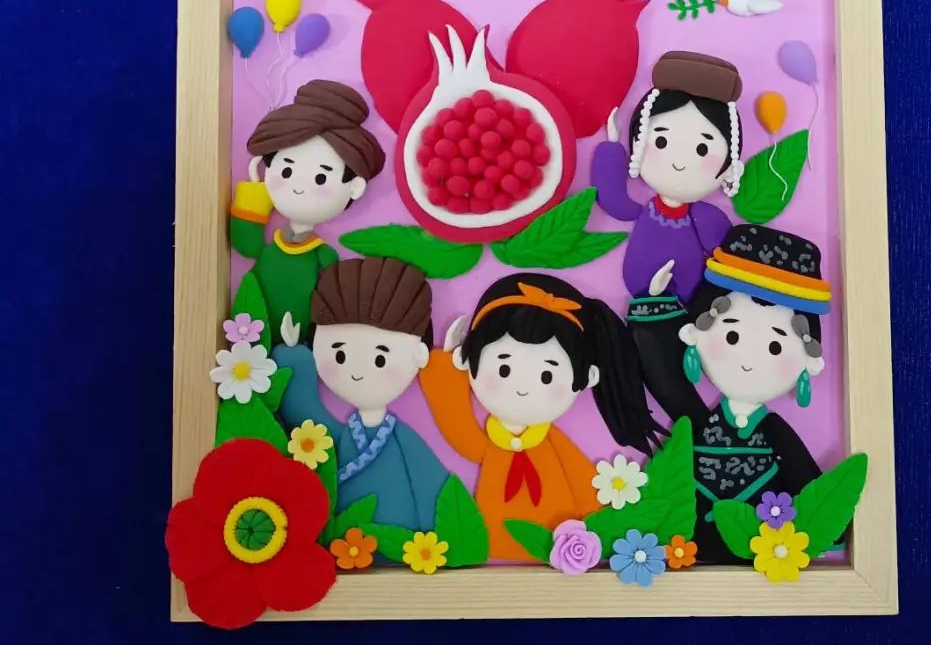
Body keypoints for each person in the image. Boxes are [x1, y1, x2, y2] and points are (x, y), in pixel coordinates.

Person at [615, 224, 831, 564]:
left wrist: (826, 529)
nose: (749, 359)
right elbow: (666, 381)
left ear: (807, 360)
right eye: (732, 336)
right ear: (696, 333)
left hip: (758, 540)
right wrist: (655, 307)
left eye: (775, 346)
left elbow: (802, 476)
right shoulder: (699, 424)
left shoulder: (772, 432)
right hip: (686, 539)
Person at [421, 274, 663, 560]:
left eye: (547, 375)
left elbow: (582, 481)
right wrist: (446, 371)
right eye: (504, 369)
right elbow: (458, 431)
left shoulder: (554, 444)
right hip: (495, 541)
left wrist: (601, 526)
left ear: (587, 377)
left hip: (556, 537)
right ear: (468, 357)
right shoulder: (491, 444)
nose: (522, 388)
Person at [591, 51, 744, 421]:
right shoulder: (647, 211)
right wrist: (611, 147)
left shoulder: (707, 218)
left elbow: (727, 264)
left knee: (672, 359)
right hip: (645, 306)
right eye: (660, 141)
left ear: (728, 163)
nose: (679, 161)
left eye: (703, 148)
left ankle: (696, 416)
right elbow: (613, 199)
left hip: (688, 309)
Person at [275, 257, 449, 530]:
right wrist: (294, 362)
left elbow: (429, 479)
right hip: (341, 534)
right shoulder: (343, 435)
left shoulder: (401, 439)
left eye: (380, 359)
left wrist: (439, 528)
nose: (357, 371)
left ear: (419, 355)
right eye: (340, 355)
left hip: (399, 534)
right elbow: (307, 421)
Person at [230, 80, 385, 346]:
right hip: (251, 335)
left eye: (321, 178)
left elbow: (332, 297)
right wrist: (254, 194)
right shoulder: (269, 250)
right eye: (286, 170)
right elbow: (246, 245)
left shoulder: (324, 257)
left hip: (301, 341)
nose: (298, 186)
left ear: (354, 187)